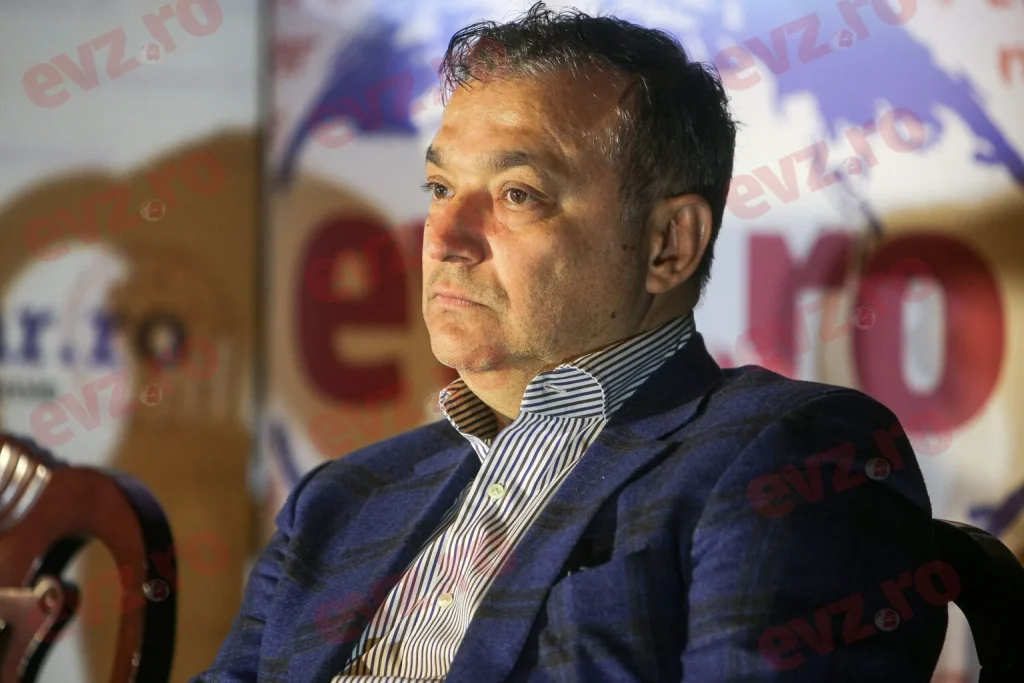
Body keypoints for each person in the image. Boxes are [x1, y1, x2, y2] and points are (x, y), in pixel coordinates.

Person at [194, 3, 947, 681]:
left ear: (669, 244)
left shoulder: (794, 456)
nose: (444, 238)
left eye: (518, 194)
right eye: (440, 189)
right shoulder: (339, 501)